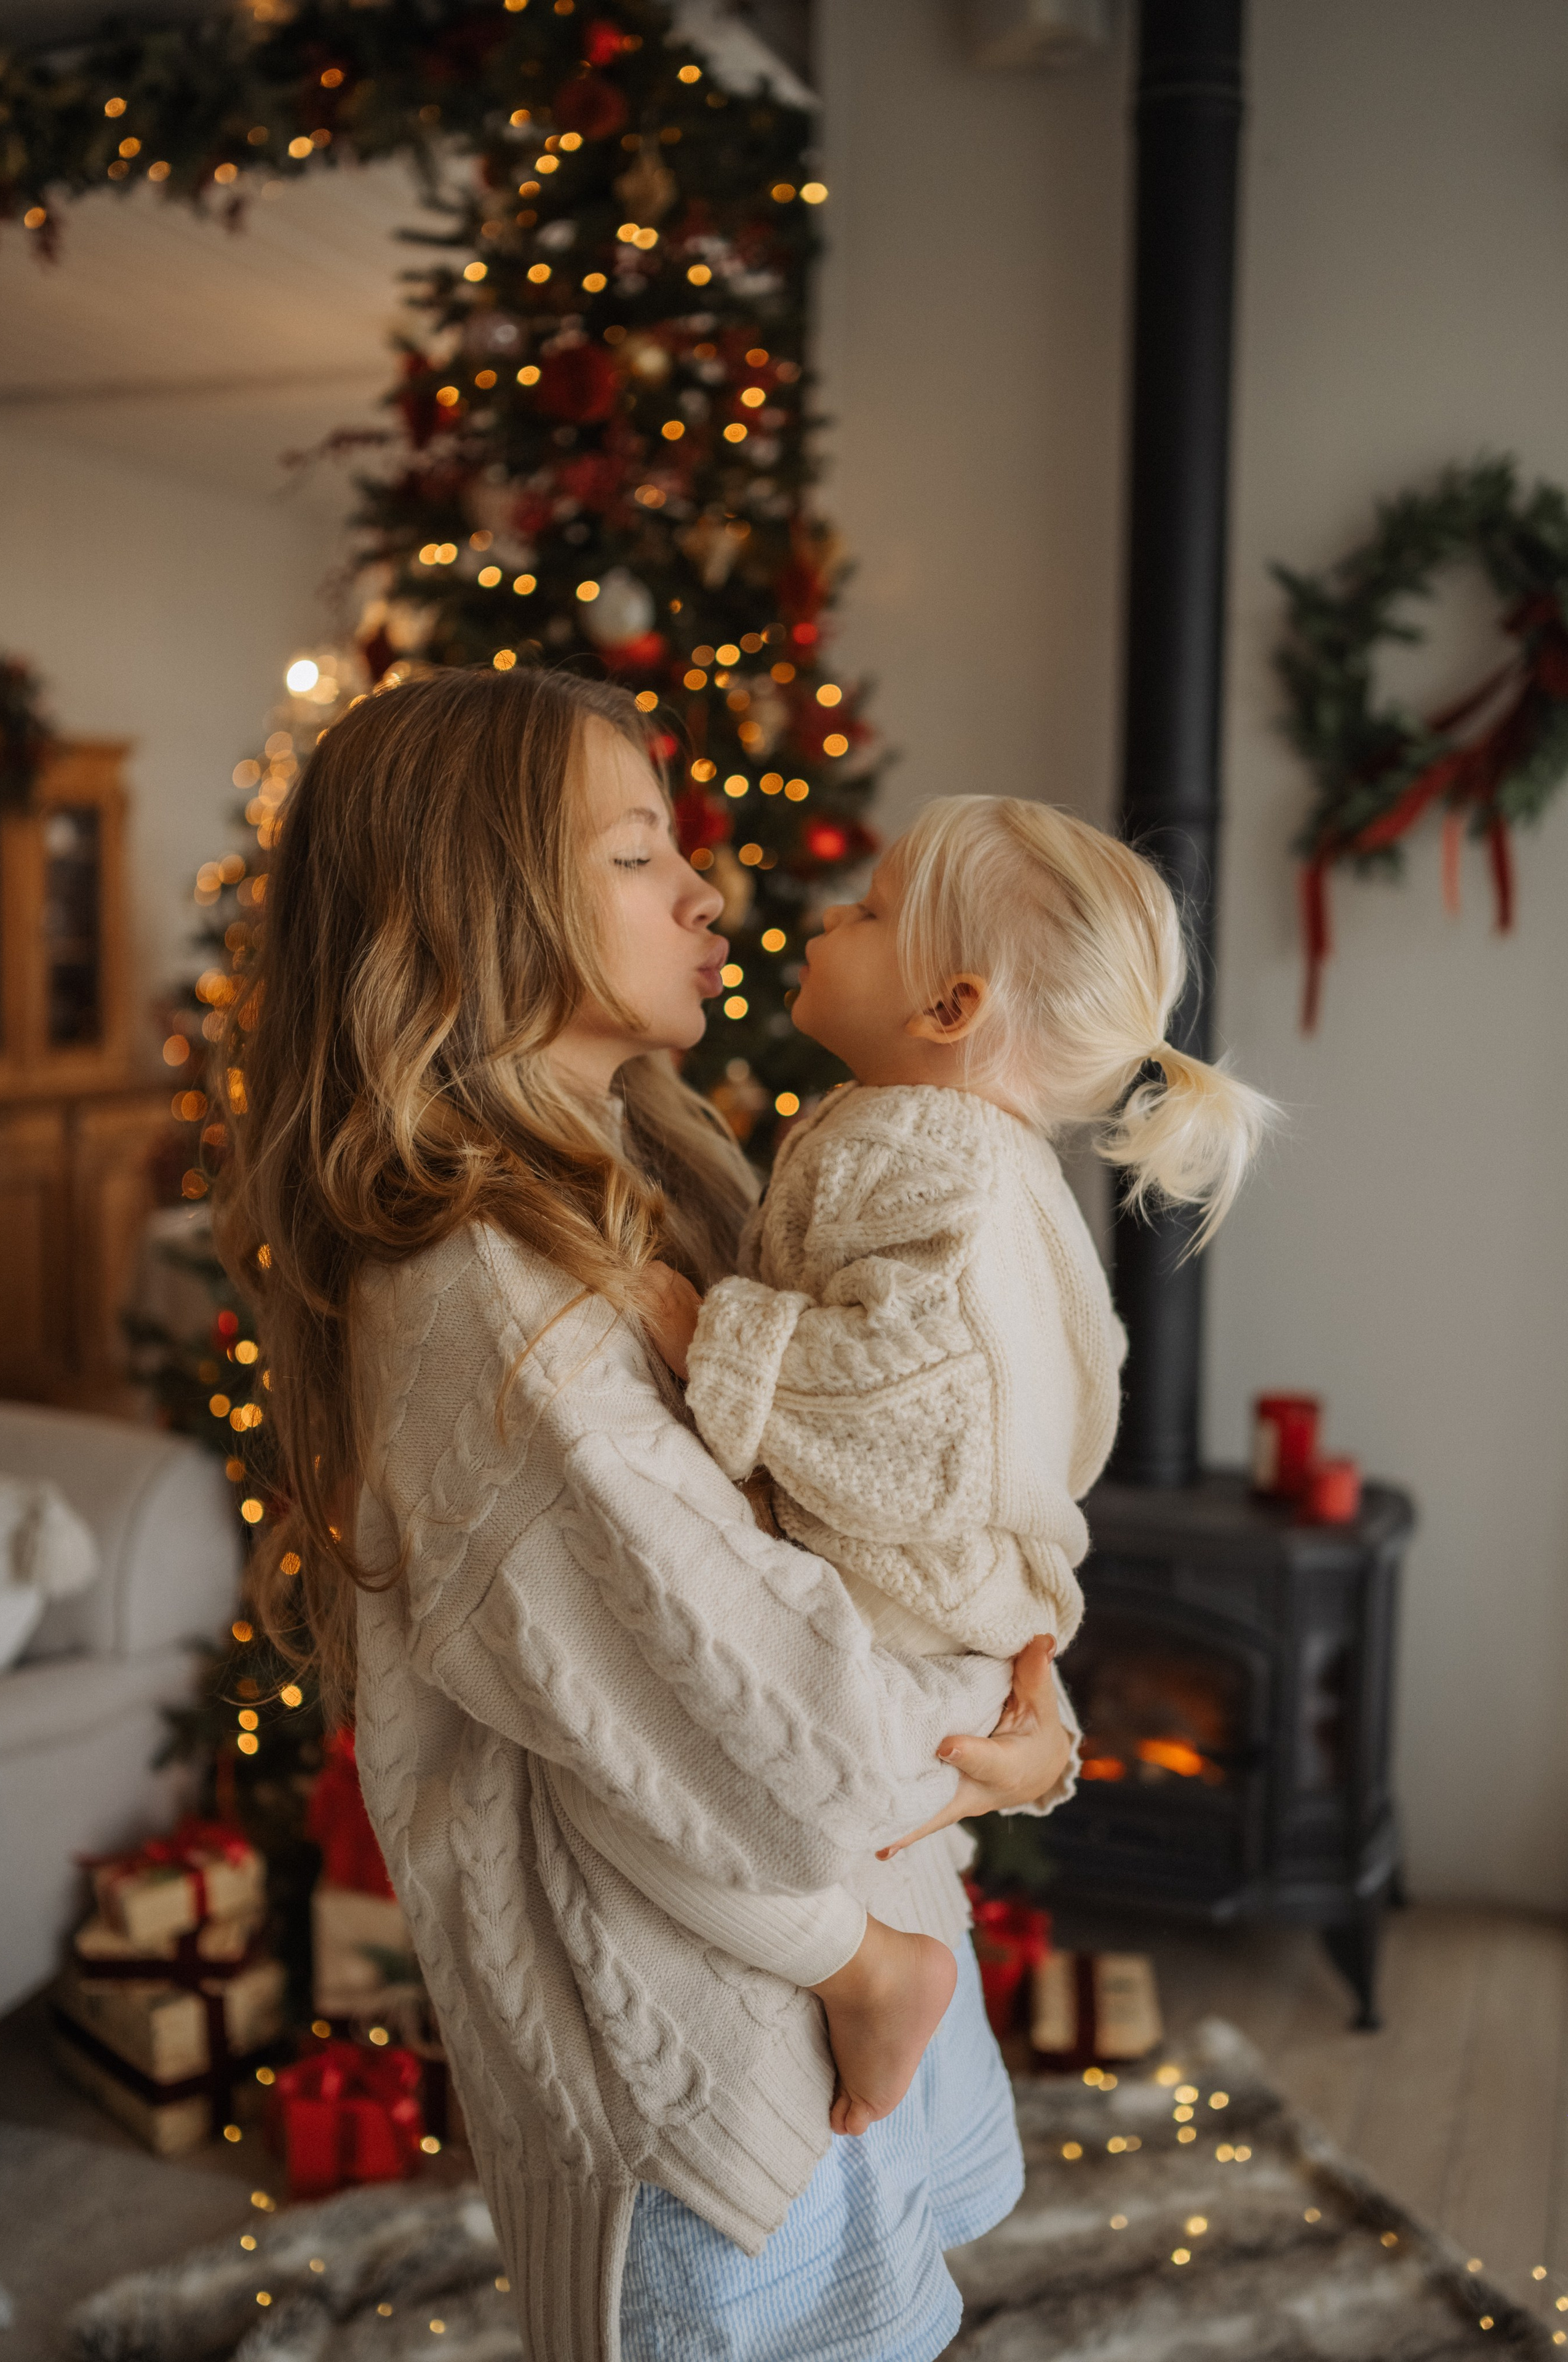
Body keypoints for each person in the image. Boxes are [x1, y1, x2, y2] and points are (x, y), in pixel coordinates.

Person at [216, 667, 1077, 2362]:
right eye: (635, 853)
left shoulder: (667, 1167)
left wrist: (1030, 1697)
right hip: (719, 2082)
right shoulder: (484, 1293)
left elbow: (901, 1492)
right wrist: (875, 1929)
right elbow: (782, 1727)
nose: (708, 889)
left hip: (844, 1985)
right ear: (471, 912)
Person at [607, 797, 1278, 2139]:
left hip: (905, 1624)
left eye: (863, 913)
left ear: (950, 1002)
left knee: (665, 1805)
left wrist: (714, 1336)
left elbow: (919, 1405)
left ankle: (876, 1970)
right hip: (937, 1627)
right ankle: (889, 1961)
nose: (817, 919)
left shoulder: (931, 1151)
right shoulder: (938, 1143)